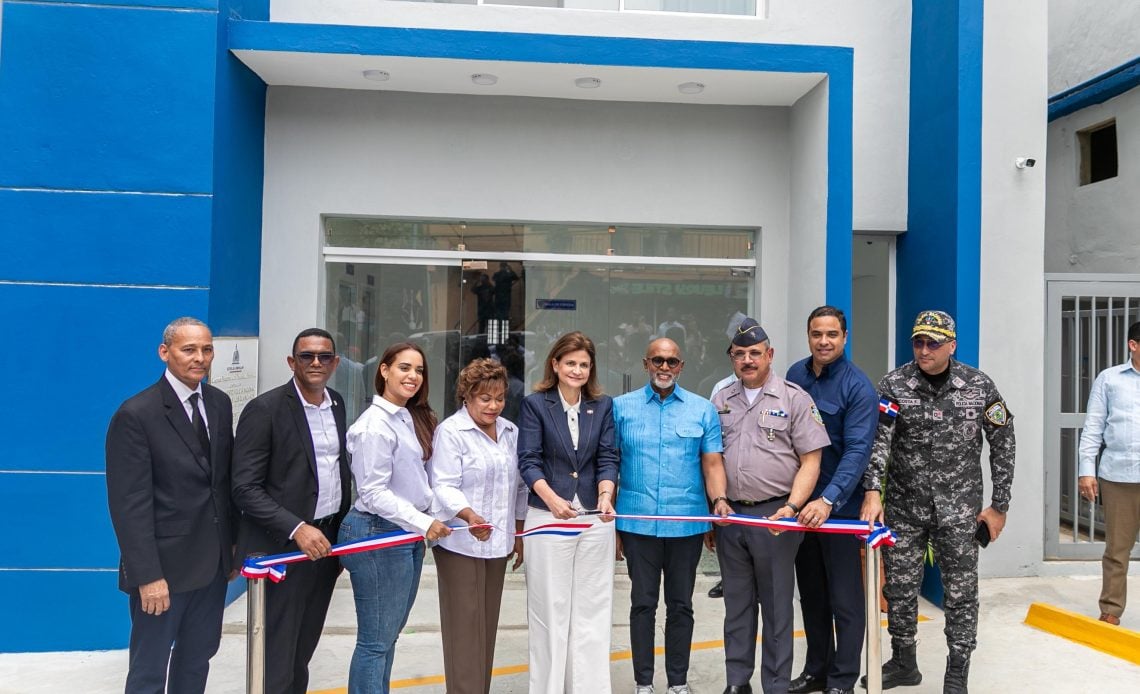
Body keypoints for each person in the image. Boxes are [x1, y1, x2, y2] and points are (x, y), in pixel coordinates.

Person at [860, 310, 1016, 693]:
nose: (924, 349)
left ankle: (957, 670)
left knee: (961, 593)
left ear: (952, 345)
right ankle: (904, 661)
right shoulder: (895, 385)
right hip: (905, 508)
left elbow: (1003, 441)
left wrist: (999, 505)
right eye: (918, 341)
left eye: (933, 342)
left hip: (959, 511)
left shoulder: (978, 386)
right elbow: (879, 441)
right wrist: (872, 491)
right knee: (899, 589)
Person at [105, 317, 235, 693]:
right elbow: (129, 505)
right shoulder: (136, 414)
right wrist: (147, 577)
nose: (200, 358)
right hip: (163, 573)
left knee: (196, 662)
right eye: (189, 349)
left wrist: (231, 548)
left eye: (207, 349)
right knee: (149, 671)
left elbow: (221, 484)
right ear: (165, 352)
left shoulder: (219, 403)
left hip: (211, 568)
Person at [231, 328, 352, 693]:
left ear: (335, 363)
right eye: (306, 356)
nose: (316, 363)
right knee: (277, 657)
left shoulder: (336, 404)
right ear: (291, 362)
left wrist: (339, 538)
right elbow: (245, 488)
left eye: (324, 356)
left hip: (325, 546)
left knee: (302, 651)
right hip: (283, 548)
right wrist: (297, 528)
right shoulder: (264, 410)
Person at [712, 317, 829, 694]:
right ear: (732, 358)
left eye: (754, 353)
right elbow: (711, 459)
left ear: (770, 354)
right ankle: (737, 681)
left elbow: (811, 460)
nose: (747, 360)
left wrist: (792, 507)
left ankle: (776, 685)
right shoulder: (720, 400)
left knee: (777, 607)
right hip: (730, 516)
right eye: (739, 354)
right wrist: (717, 501)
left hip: (776, 515)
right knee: (736, 605)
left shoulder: (794, 398)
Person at [614, 338, 732, 694]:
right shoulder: (620, 408)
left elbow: (712, 464)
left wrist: (719, 502)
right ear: (645, 363)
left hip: (686, 525)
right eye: (657, 360)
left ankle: (678, 682)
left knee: (681, 605)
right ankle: (644, 682)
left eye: (672, 362)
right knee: (642, 604)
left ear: (681, 366)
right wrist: (612, 524)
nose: (664, 367)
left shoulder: (702, 409)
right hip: (637, 524)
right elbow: (609, 465)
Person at [338, 342, 453, 694]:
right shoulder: (374, 426)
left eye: (419, 370)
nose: (413, 376)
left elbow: (416, 483)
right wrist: (424, 523)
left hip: (404, 533)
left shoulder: (406, 417)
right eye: (404, 368)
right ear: (384, 370)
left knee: (387, 637)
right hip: (377, 534)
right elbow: (373, 493)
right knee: (375, 642)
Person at [517, 331, 619, 693]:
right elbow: (528, 461)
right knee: (550, 611)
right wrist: (552, 499)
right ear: (555, 365)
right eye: (571, 363)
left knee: (593, 610)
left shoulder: (602, 406)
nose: (577, 370)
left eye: (584, 364)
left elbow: (608, 457)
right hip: (548, 517)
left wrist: (606, 495)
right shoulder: (535, 405)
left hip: (595, 517)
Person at [784, 307, 877, 694]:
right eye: (817, 334)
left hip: (839, 511)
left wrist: (828, 500)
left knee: (845, 600)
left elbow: (857, 452)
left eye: (832, 334)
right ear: (808, 335)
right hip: (801, 508)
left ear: (845, 337)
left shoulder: (858, 387)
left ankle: (842, 680)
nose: (824, 341)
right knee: (812, 595)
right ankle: (816, 671)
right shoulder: (795, 375)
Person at [429, 358, 528, 693]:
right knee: (464, 630)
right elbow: (443, 485)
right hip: (460, 544)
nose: (493, 406)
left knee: (485, 629)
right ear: (466, 396)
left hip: (497, 544)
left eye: (499, 398)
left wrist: (518, 531)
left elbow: (520, 486)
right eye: (485, 398)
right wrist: (469, 515)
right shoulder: (451, 432)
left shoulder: (510, 432)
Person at [1077, 319, 1140, 627]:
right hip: (1119, 477)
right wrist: (1086, 470)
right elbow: (1093, 426)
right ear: (1133, 345)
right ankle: (1111, 610)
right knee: (1117, 549)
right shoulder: (1109, 379)